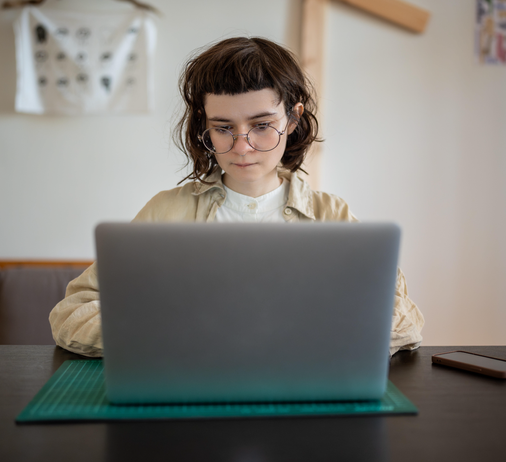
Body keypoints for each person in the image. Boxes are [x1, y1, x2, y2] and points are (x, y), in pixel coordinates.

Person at [48, 37, 425, 357]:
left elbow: (404, 320)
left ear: (292, 120)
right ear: (203, 126)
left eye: (262, 126)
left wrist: (281, 332)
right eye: (224, 128)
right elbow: (72, 313)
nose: (242, 147)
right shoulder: (166, 212)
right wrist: (184, 333)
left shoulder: (332, 216)